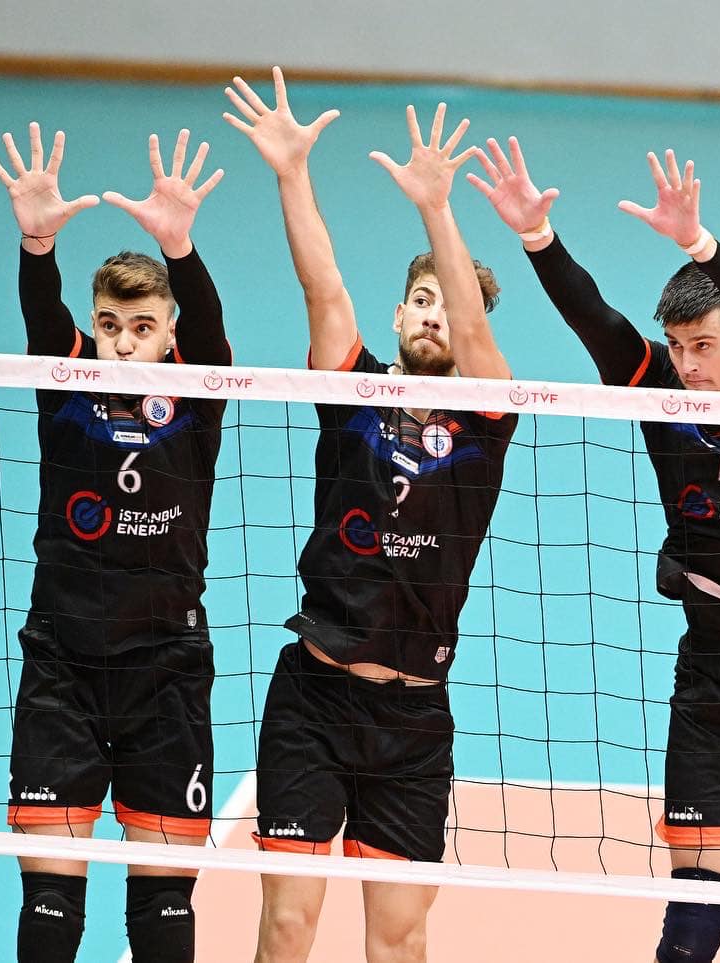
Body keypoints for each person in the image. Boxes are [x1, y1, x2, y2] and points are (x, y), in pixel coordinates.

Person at [469, 136, 720, 962]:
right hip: (712, 677)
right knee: (693, 922)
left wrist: (700, 244)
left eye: (702, 345)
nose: (686, 365)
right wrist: (537, 236)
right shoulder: (664, 398)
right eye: (676, 347)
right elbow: (597, 321)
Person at [225, 69, 518, 963]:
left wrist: (437, 210)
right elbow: (323, 291)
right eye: (421, 300)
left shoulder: (487, 417)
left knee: (398, 938)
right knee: (287, 925)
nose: (434, 316)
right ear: (398, 314)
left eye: (450, 306)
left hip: (414, 719)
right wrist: (291, 173)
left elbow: (475, 338)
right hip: (314, 698)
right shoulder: (353, 393)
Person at [0, 121, 228, 963]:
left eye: (142, 325)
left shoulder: (198, 394)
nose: (124, 341)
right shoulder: (65, 385)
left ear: (168, 333)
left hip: (167, 670)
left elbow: (213, 327)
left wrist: (180, 248)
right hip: (63, 666)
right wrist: (37, 244)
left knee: (163, 909)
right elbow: (40, 313)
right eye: (110, 324)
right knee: (51, 907)